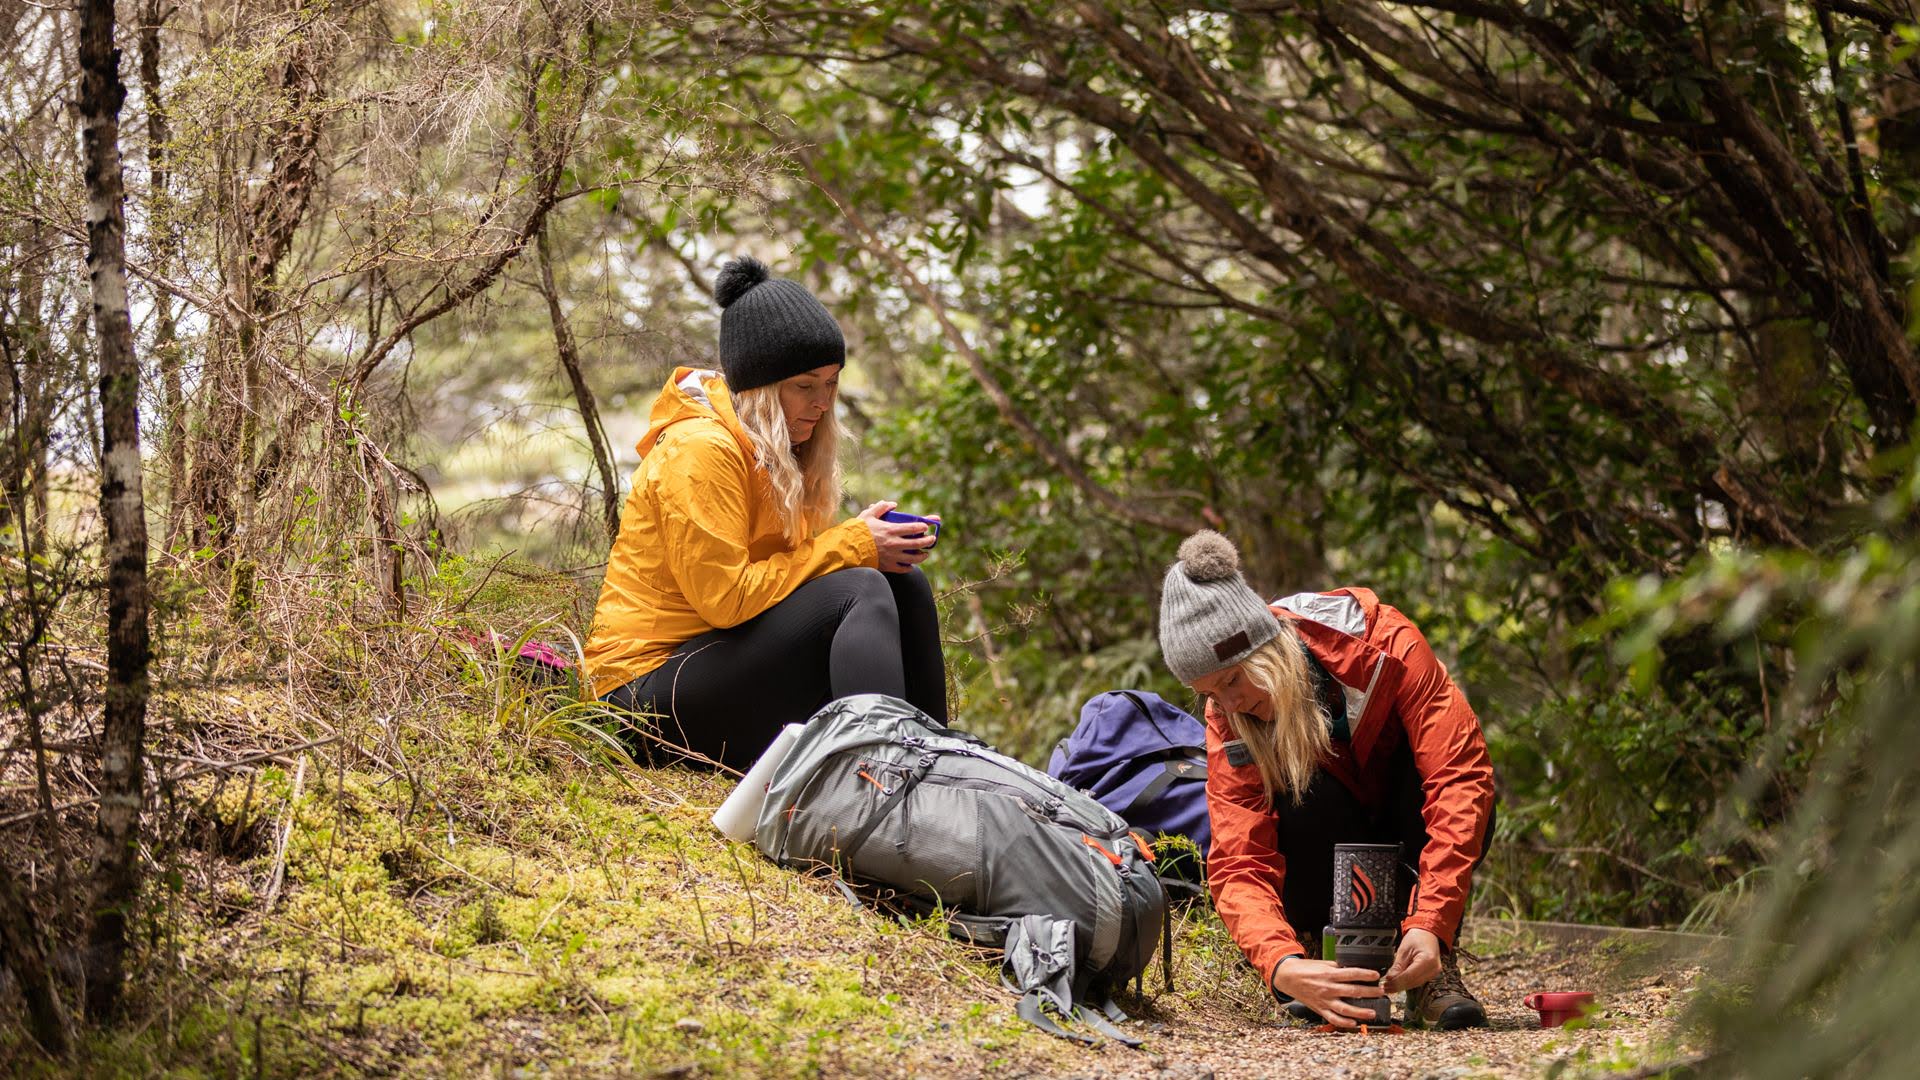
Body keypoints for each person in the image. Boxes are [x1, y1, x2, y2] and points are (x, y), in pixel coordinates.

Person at [584, 256, 947, 771]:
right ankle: (878, 783)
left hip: (717, 663)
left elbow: (795, 578)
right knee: (860, 587)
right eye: (805, 385)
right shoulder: (700, 450)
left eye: (832, 383)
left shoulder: (778, 455)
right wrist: (852, 545)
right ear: (760, 385)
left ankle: (935, 765)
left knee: (898, 583)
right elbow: (727, 600)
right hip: (639, 698)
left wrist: (863, 544)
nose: (822, 402)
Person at [1156, 529, 1496, 1031]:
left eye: (1232, 680)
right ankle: (1322, 962)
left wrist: (1431, 923)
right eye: (1209, 692)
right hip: (1326, 854)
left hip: (1405, 828)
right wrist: (1282, 965)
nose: (1227, 704)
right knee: (1295, 788)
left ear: (1266, 649)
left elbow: (1459, 777)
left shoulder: (1384, 643)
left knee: (1459, 794)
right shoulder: (1228, 716)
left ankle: (1429, 970)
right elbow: (1239, 857)